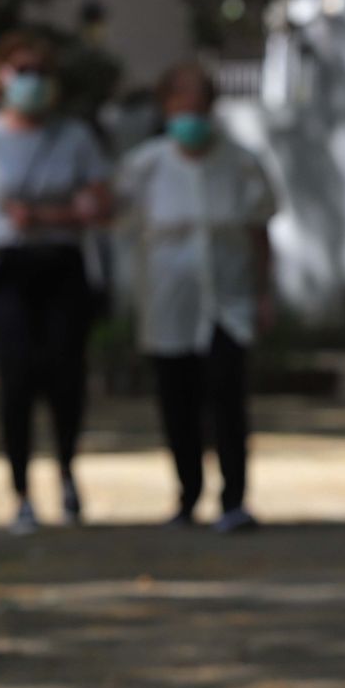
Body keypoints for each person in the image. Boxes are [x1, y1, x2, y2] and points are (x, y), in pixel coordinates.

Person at [0, 30, 112, 535]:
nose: (31, 81)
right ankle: (20, 491)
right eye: (21, 71)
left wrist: (49, 215)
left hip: (60, 266)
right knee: (16, 378)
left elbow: (103, 207)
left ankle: (66, 471)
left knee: (64, 375)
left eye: (41, 71)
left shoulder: (75, 138)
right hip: (5, 272)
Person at [117, 61, 277, 533]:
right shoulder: (143, 167)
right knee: (177, 402)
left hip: (228, 303)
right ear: (166, 110)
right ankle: (187, 496)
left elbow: (259, 233)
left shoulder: (242, 163)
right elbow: (114, 221)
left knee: (227, 398)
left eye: (199, 107)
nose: (190, 116)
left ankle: (234, 500)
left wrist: (265, 293)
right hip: (169, 305)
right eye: (180, 107)